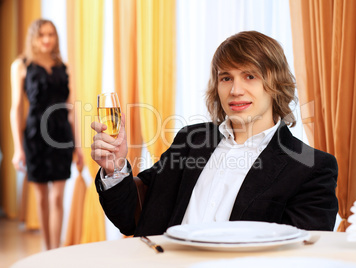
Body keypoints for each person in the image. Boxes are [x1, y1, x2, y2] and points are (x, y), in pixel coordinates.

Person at [91, 31, 338, 237]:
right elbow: (132, 216)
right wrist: (116, 168)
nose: (235, 90)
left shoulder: (312, 167)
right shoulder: (191, 140)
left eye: (250, 76)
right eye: (226, 78)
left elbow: (301, 255)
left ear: (276, 83)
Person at [10, 19, 83, 250]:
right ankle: (47, 248)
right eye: (42, 34)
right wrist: (17, 148)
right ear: (33, 37)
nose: (47, 39)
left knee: (57, 197)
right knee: (41, 198)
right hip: (34, 136)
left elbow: (71, 109)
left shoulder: (64, 66)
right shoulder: (21, 65)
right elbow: (16, 108)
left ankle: (56, 253)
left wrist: (78, 146)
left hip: (61, 135)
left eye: (51, 34)